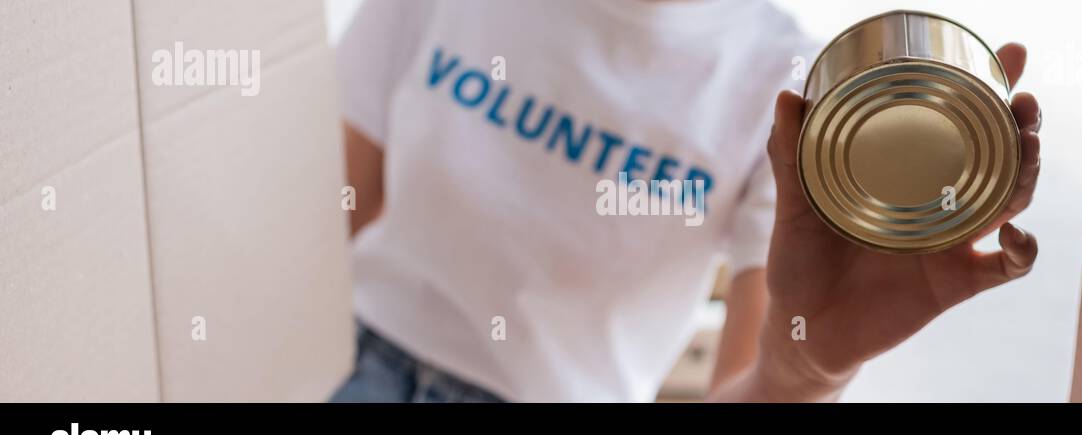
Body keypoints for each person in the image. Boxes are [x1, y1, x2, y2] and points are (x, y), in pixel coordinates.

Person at [331, 0, 1043, 403]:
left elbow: (750, 379)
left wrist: (802, 372)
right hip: (338, 364)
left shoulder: (792, 92)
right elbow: (319, 237)